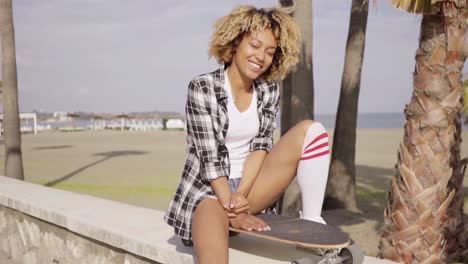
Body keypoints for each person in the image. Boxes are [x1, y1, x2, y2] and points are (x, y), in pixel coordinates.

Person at [164, 5, 330, 264]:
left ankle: (313, 225)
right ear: (235, 43)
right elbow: (210, 159)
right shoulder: (203, 87)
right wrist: (232, 209)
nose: (261, 56)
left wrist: (241, 196)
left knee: (312, 130)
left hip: (251, 188)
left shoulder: (268, 91)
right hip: (209, 192)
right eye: (254, 45)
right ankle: (227, 219)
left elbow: (260, 148)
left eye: (269, 51)